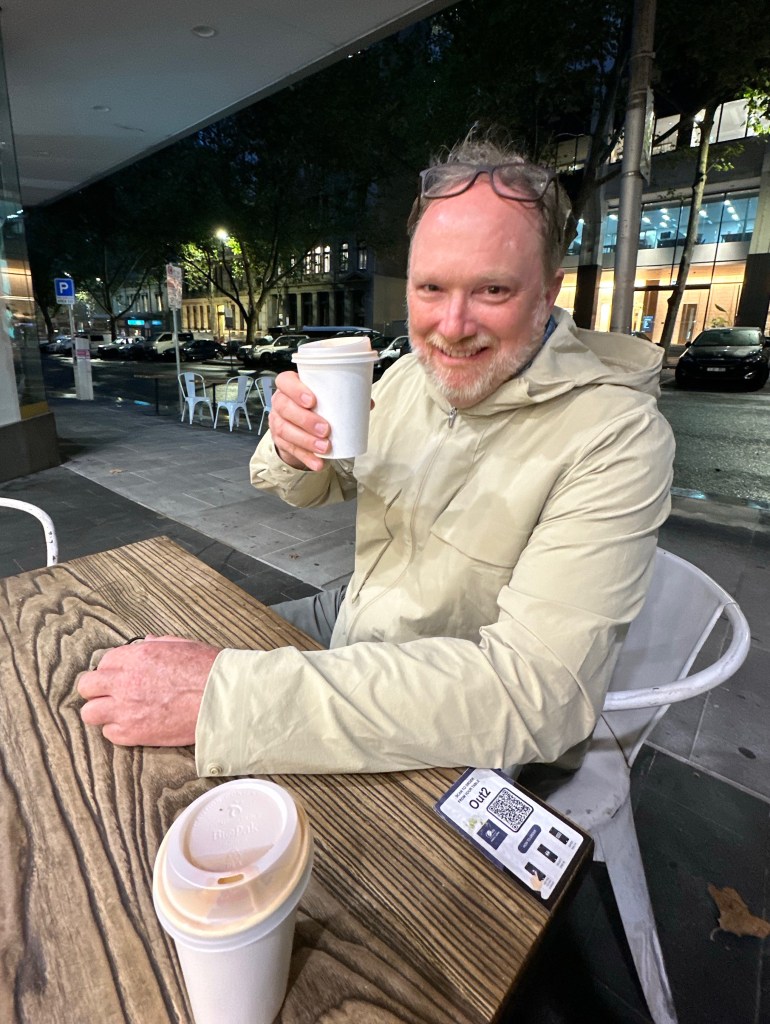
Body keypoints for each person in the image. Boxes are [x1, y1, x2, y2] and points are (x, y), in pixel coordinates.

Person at [78, 134, 674, 778]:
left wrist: (224, 699)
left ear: (548, 291)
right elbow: (319, 485)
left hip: (467, 725)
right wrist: (291, 445)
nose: (451, 327)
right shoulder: (409, 377)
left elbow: (538, 698)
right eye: (431, 287)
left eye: (493, 290)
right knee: (139, 653)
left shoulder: (618, 436)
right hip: (351, 619)